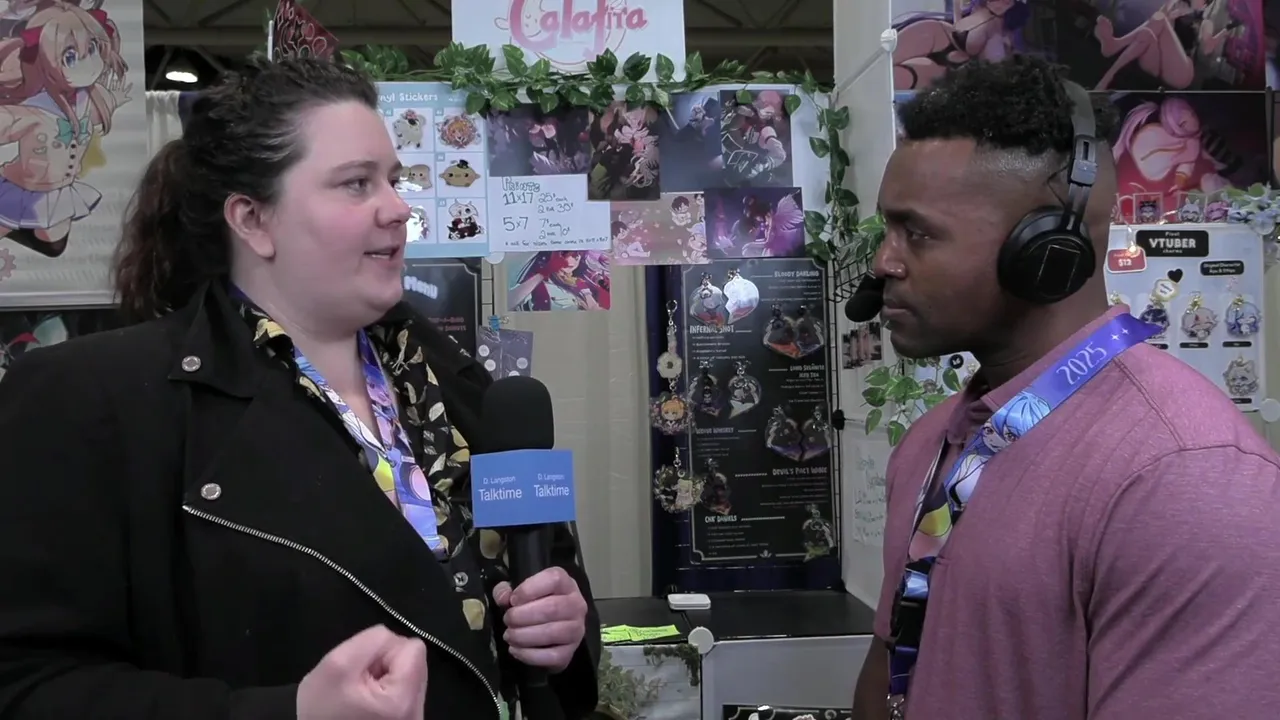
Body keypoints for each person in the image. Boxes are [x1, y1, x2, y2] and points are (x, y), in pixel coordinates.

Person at [0, 56, 600, 719]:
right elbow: (27, 685)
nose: (399, 207)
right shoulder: (96, 401)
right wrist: (291, 712)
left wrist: (563, 632)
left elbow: (537, 578)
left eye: (394, 180)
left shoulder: (450, 379)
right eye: (356, 184)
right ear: (253, 221)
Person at [852, 56, 1280, 720]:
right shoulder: (931, 445)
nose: (884, 261)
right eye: (888, 229)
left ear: (1047, 247)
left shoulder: (1187, 479)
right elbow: (893, 660)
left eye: (919, 233)